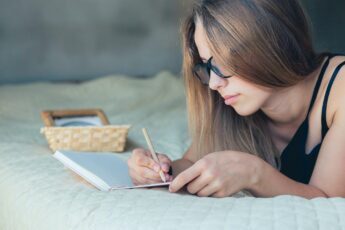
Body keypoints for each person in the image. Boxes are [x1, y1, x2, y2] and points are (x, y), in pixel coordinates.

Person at [127, 0, 345, 198]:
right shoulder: (235, 105)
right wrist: (160, 172)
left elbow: (329, 205)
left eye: (222, 61)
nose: (213, 84)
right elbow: (191, 162)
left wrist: (254, 173)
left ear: (271, 43)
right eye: (207, 66)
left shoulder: (340, 89)